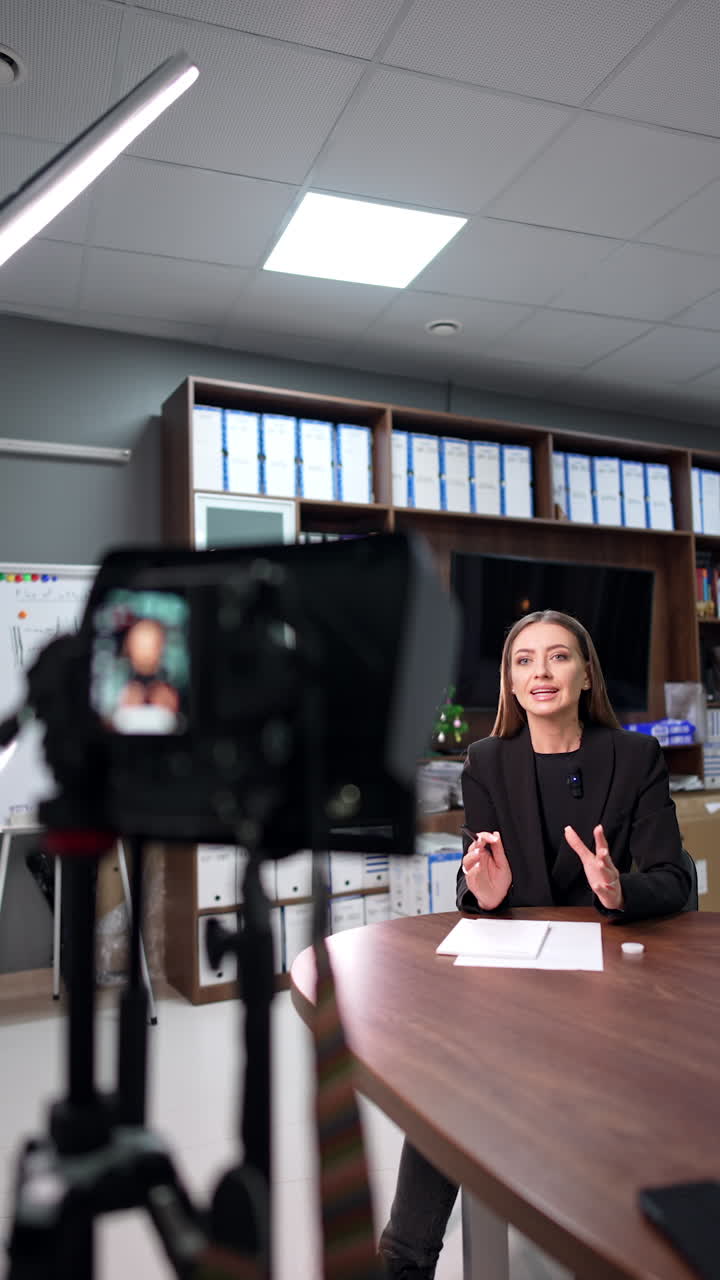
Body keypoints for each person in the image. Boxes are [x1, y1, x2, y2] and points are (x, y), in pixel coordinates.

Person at [379, 609, 691, 1280]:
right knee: (452, 1072)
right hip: (517, 980)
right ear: (511, 682)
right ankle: (403, 1262)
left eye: (557, 657)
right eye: (525, 661)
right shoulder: (487, 761)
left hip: (617, 985)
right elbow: (480, 882)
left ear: (584, 675)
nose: (540, 672)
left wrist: (617, 890)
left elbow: (675, 881)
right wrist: (486, 893)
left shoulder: (636, 757)